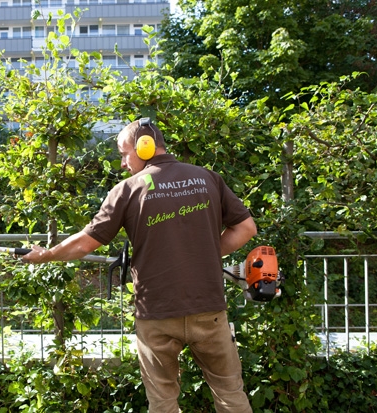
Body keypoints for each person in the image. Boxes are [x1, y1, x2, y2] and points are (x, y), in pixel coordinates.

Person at [21, 117, 257, 412]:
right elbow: (246, 228)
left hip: (156, 314)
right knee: (229, 393)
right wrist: (204, 254)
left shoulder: (128, 189)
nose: (122, 163)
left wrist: (46, 254)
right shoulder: (207, 178)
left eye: (123, 153)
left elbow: (85, 243)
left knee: (162, 401)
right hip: (208, 309)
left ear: (143, 148)